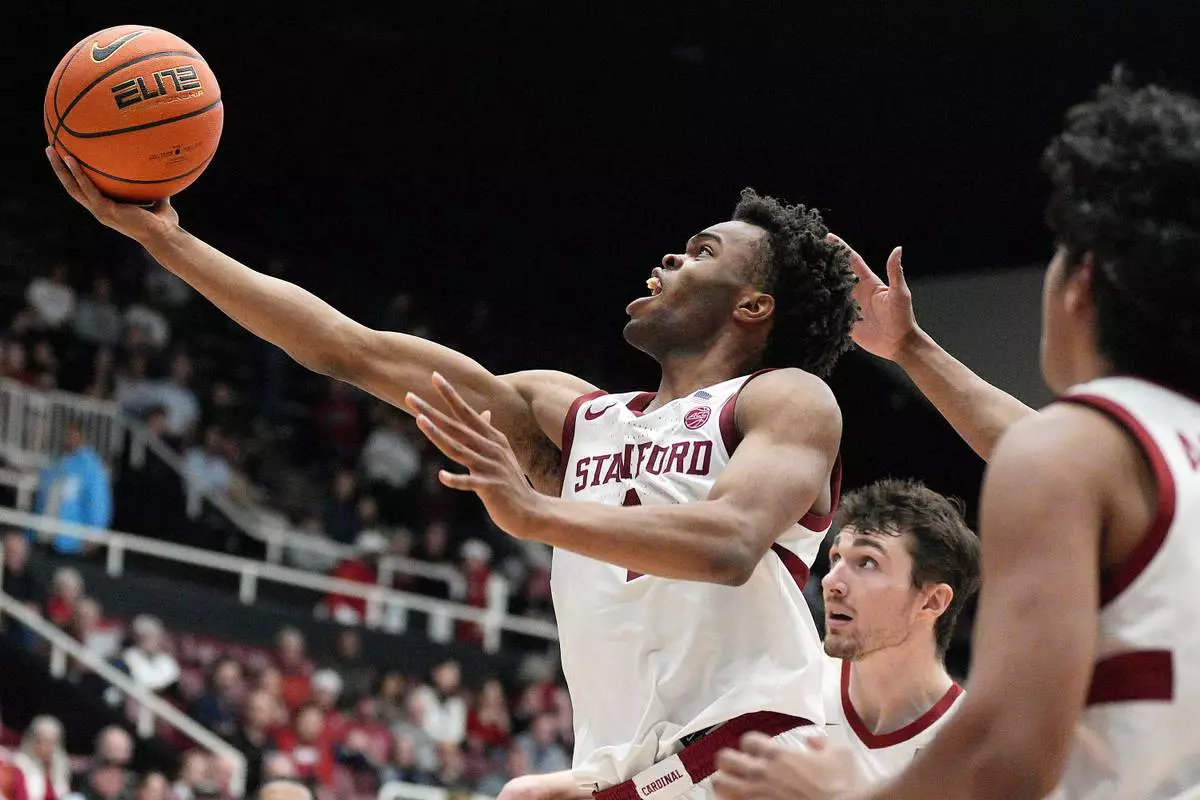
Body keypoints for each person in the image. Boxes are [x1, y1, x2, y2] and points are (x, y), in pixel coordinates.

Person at [47, 150, 859, 799]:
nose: (671, 257)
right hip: (625, 772)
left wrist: (537, 516)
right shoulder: (573, 415)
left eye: (702, 252)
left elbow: (729, 541)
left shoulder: (786, 399)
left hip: (751, 758)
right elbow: (348, 348)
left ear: (753, 307)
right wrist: (167, 242)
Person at [714, 70, 1200, 799]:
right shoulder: (1158, 453)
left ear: (1080, 283)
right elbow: (1029, 439)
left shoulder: (1071, 453)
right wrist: (909, 349)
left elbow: (1005, 754)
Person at [709, 479, 980, 797]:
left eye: (867, 562)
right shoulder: (784, 685)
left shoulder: (976, 751)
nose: (830, 581)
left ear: (932, 601)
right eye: (836, 557)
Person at [33, 423, 112, 555]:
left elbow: (98, 501)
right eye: (67, 435)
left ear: (81, 437)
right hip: (44, 536)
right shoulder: (55, 463)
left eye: (72, 435)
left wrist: (95, 533)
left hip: (71, 542)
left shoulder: (91, 467)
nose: (68, 438)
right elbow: (42, 498)